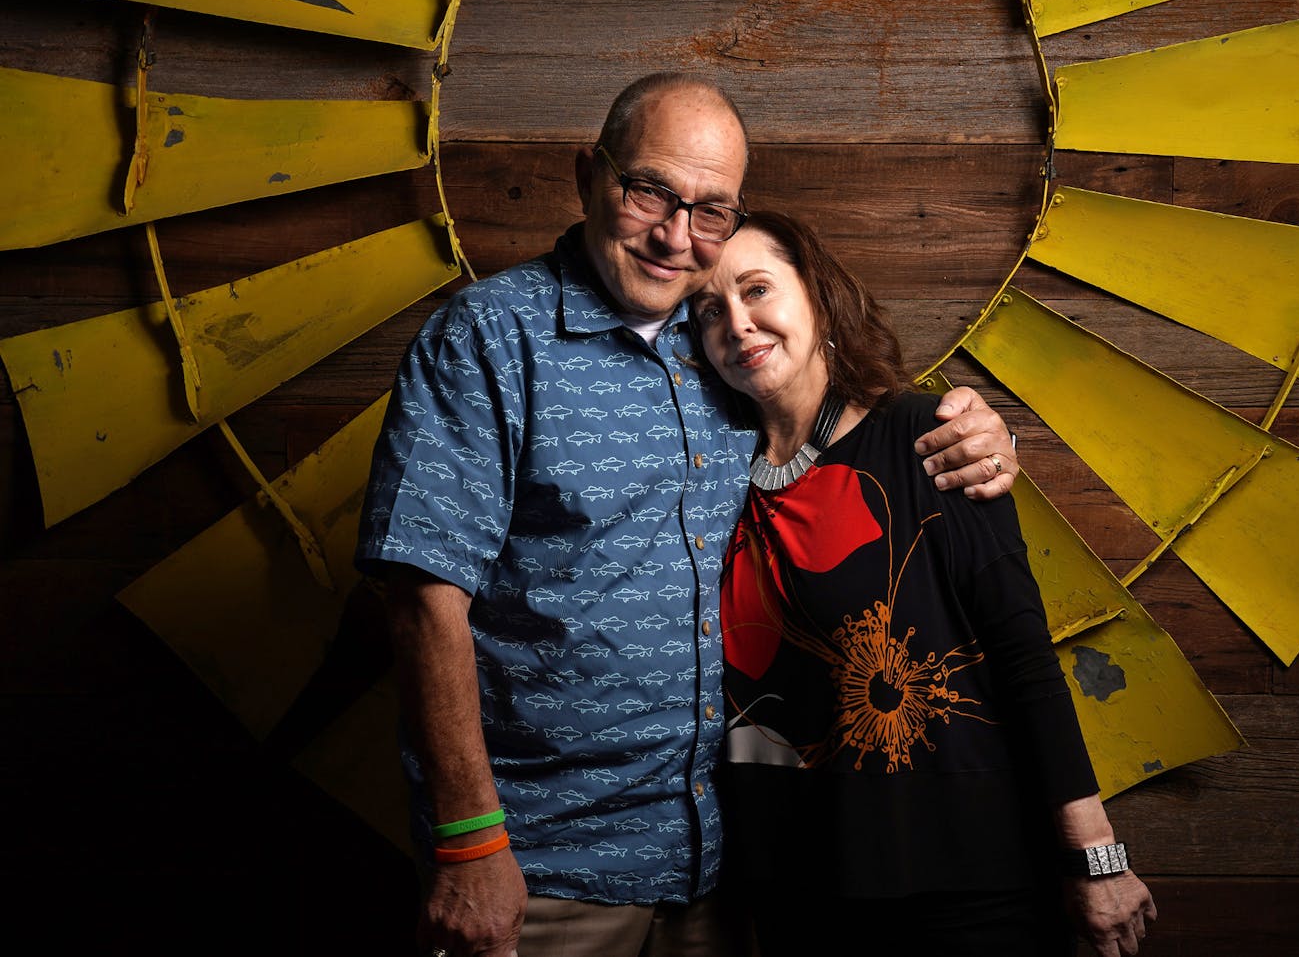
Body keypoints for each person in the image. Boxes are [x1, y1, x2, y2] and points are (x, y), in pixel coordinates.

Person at [355, 72, 1020, 957]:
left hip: (722, 865)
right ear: (589, 175)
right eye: (648, 193)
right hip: (544, 867)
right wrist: (470, 843)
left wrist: (970, 432)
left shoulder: (720, 341)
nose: (676, 237)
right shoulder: (487, 338)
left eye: (710, 211)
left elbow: (845, 421)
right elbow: (420, 595)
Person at [689, 210, 1156, 957]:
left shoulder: (931, 439)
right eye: (710, 309)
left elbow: (1023, 658)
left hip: (959, 887)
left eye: (756, 289)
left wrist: (1095, 856)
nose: (737, 323)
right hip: (790, 892)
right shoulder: (707, 477)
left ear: (816, 295)